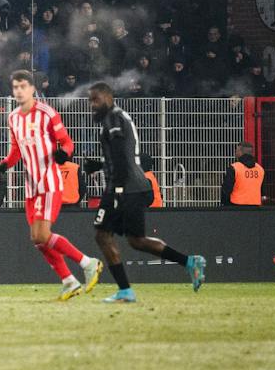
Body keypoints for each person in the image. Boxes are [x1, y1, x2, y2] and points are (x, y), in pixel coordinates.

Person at [81, 82, 206, 302]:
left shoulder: (113, 119)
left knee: (102, 234)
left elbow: (120, 154)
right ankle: (189, 262)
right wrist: (100, 165)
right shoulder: (118, 117)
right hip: (134, 186)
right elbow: (124, 155)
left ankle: (125, 290)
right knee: (136, 240)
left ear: (108, 98)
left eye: (96, 99)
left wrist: (117, 188)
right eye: (90, 100)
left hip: (124, 187)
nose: (93, 104)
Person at [0, 70, 101, 299]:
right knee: (37, 239)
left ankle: (87, 262)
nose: (19, 91)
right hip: (30, 187)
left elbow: (67, 142)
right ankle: (69, 281)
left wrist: (65, 154)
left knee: (42, 234)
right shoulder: (13, 117)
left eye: (23, 86)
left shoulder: (46, 113)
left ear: (33, 88)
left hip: (49, 183)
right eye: (15, 87)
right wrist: (3, 165)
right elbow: (16, 151)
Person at [221, 143, 264, 207]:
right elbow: (261, 189)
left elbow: (226, 189)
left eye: (236, 150)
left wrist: (225, 204)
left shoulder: (234, 167)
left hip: (236, 206)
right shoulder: (260, 169)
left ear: (240, 152)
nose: (235, 152)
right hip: (255, 206)